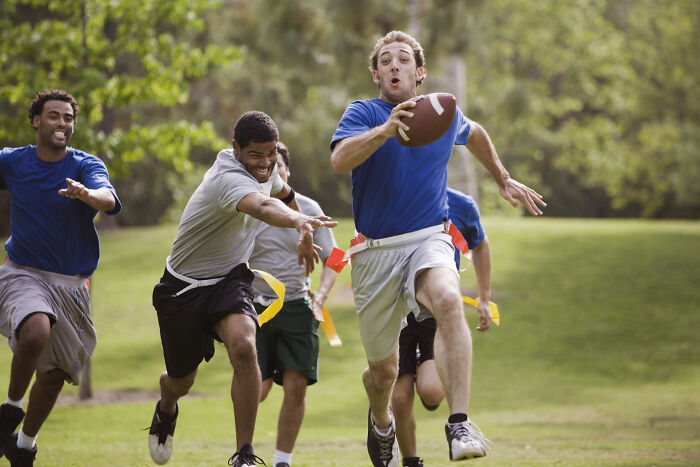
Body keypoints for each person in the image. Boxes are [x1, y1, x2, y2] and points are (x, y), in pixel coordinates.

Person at [330, 30, 546, 466]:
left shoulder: (442, 112)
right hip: (374, 253)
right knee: (383, 372)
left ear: (419, 71)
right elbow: (339, 160)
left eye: (403, 60)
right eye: (385, 61)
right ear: (376, 75)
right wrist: (384, 132)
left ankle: (460, 422)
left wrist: (501, 177)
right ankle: (380, 421)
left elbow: (476, 132)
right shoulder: (363, 113)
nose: (394, 66)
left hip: (428, 237)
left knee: (448, 301)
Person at [147, 112, 336, 467]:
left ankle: (244, 454)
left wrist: (304, 232)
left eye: (271, 157)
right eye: (255, 156)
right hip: (182, 288)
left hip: (229, 280)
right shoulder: (227, 179)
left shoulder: (267, 172)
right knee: (180, 381)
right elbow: (264, 206)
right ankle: (166, 407)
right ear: (236, 149)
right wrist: (299, 221)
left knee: (245, 346)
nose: (265, 164)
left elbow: (284, 192)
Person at [0, 89, 121, 467]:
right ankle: (10, 409)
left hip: (71, 286)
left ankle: (23, 444)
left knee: (53, 376)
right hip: (23, 272)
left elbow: (108, 198)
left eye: (68, 118)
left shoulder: (85, 165)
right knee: (35, 331)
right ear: (36, 120)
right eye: (54, 116)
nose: (62, 124)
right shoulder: (13, 162)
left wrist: (88, 194)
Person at [249, 142, 339, 467]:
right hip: (255, 308)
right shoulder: (250, 207)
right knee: (256, 389)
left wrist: (323, 294)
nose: (273, 173)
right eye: (266, 168)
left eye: (278, 168)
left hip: (298, 305)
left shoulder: (309, 208)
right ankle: (244, 453)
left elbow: (336, 257)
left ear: (287, 172)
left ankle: (282, 461)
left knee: (296, 386)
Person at [393, 188, 492, 467]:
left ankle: (411, 373)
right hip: (398, 307)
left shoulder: (462, 205)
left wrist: (484, 298)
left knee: (432, 391)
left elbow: (480, 245)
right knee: (400, 398)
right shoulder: (394, 195)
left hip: (434, 309)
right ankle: (410, 460)